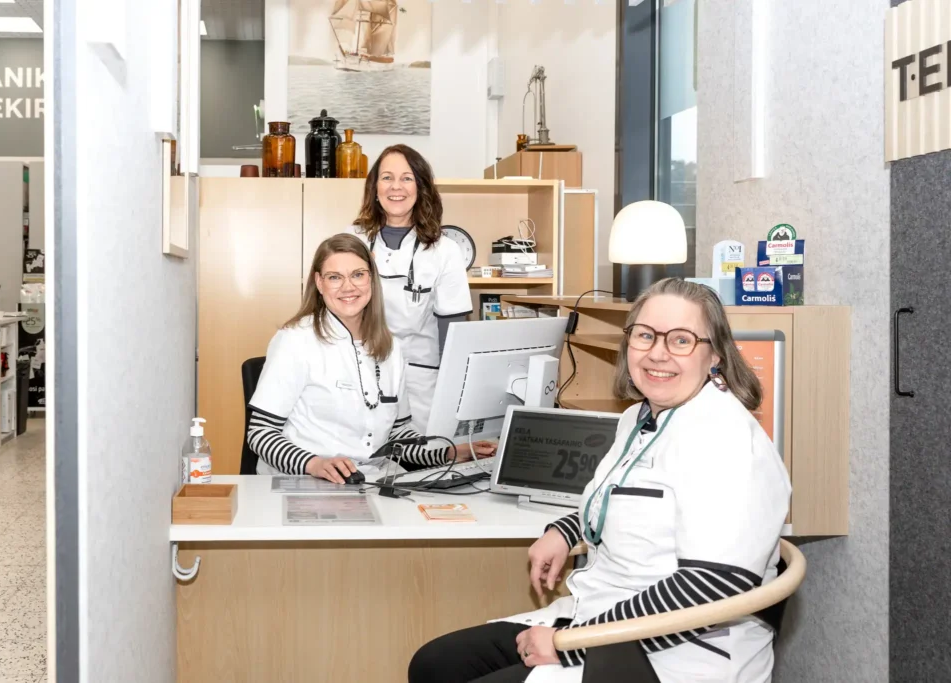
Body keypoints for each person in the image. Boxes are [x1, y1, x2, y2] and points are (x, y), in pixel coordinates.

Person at [408, 278, 792, 683]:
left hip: (678, 652)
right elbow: (618, 497)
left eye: (681, 340)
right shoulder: (639, 418)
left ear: (715, 355)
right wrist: (564, 530)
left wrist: (569, 644)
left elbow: (713, 586)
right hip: (606, 614)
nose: (657, 353)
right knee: (435, 665)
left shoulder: (727, 440)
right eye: (645, 335)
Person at [246, 234, 493, 484]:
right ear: (319, 283)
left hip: (371, 480)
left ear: (371, 279)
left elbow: (396, 436)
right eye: (334, 277)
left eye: (358, 275)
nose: (348, 287)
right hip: (302, 480)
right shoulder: (296, 339)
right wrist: (315, 464)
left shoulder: (390, 347)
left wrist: (448, 453)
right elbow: (261, 433)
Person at [350, 144, 472, 433]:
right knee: (361, 453)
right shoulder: (351, 241)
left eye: (407, 178)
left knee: (424, 453)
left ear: (421, 187)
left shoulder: (445, 250)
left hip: (421, 381)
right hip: (359, 374)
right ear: (374, 187)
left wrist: (454, 392)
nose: (396, 187)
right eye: (387, 177)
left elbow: (453, 333)